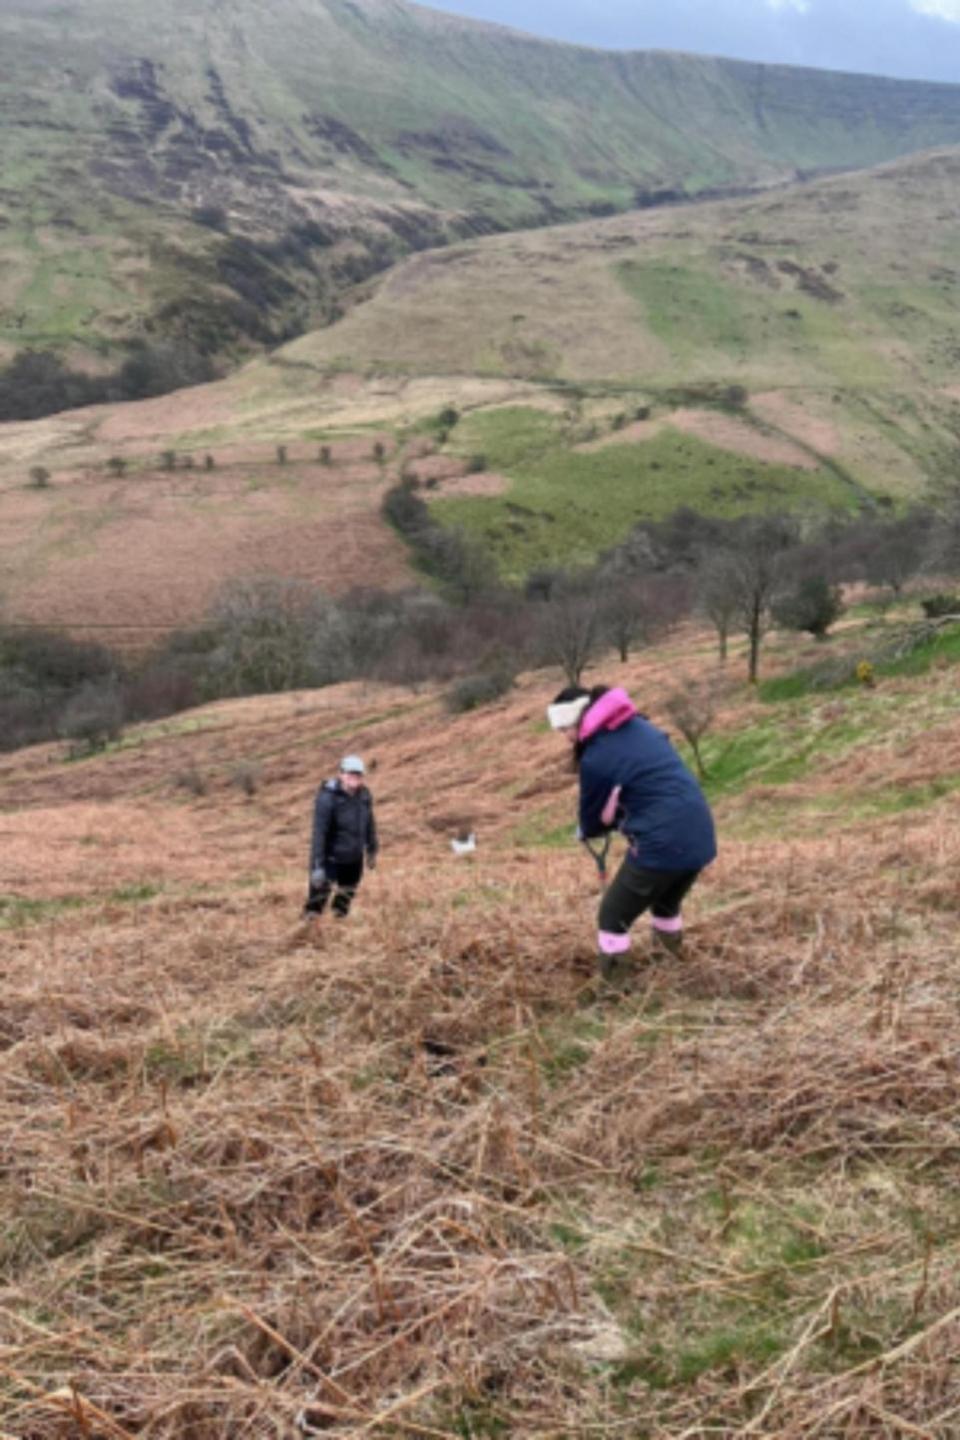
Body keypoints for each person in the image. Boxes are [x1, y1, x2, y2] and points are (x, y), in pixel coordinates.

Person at [547, 685, 716, 980]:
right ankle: (670, 969)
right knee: (665, 903)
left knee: (612, 917)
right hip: (699, 835)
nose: (566, 738)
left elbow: (594, 818)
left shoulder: (596, 756)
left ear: (579, 719)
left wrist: (586, 831)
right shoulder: (641, 725)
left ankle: (616, 993)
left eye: (565, 729)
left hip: (661, 842)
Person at [305, 755, 378, 922]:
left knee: (345, 897)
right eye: (350, 774)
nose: (355, 778)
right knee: (317, 901)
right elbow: (319, 833)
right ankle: (308, 931)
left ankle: (338, 924)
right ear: (341, 774)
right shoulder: (327, 798)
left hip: (354, 858)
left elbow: (369, 823)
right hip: (331, 859)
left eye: (358, 774)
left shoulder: (364, 795)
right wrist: (318, 866)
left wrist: (372, 849)